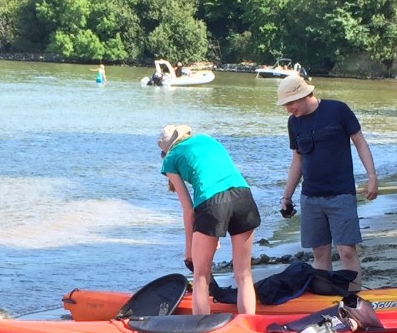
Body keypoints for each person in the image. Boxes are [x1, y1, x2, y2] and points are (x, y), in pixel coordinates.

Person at [275, 74, 378, 286]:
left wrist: (371, 177)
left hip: (341, 194)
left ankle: (353, 299)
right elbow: (297, 160)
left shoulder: (338, 110)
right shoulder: (293, 123)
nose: (288, 109)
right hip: (310, 197)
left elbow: (360, 143)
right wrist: (287, 196)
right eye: (285, 105)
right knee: (319, 252)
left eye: (290, 103)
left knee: (346, 250)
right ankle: (326, 299)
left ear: (304, 95)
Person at [157, 124, 259, 316]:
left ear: (166, 149)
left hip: (212, 204)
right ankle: (248, 327)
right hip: (243, 196)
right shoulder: (206, 139)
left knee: (200, 277)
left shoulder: (170, 159)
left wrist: (189, 249)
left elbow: (189, 211)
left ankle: (200, 330)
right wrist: (214, 231)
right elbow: (217, 179)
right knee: (244, 275)